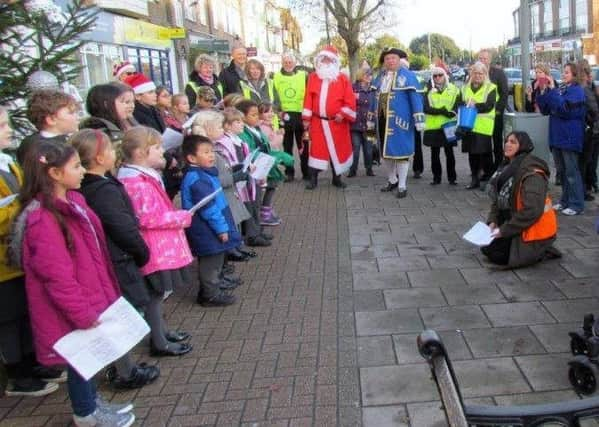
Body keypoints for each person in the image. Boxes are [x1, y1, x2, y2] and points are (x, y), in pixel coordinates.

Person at [14, 141, 135, 426]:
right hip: (72, 307)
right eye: (77, 166)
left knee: (89, 358)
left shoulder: (74, 202)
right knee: (81, 361)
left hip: (89, 296)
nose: (83, 171)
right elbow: (57, 277)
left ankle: (92, 404)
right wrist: (81, 312)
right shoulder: (44, 220)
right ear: (55, 173)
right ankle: (85, 413)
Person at [73, 129, 161, 389]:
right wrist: (141, 251)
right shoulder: (102, 190)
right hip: (119, 259)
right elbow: (121, 226)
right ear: (99, 158)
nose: (116, 153)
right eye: (111, 150)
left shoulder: (95, 185)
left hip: (113, 258)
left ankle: (123, 366)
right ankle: (124, 371)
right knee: (125, 313)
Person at [0, 107, 61, 397]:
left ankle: (33, 361)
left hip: (18, 254)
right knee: (8, 318)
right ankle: (17, 374)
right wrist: (23, 204)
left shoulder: (9, 162)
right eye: (2, 126)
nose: (8, 130)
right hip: (3, 262)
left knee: (24, 312)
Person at [117, 127, 193, 356]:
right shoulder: (136, 182)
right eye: (157, 147)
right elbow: (147, 217)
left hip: (158, 245)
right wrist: (179, 217)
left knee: (157, 294)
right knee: (154, 294)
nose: (163, 151)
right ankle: (158, 341)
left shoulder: (143, 176)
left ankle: (161, 331)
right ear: (141, 153)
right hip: (153, 246)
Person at [482, 131, 560, 268]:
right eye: (506, 141)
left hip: (534, 229)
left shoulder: (532, 174)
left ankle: (543, 249)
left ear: (523, 146)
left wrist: (504, 230)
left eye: (513, 142)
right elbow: (497, 200)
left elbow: (531, 211)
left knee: (497, 256)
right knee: (487, 248)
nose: (507, 144)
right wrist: (493, 220)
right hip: (515, 221)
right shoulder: (506, 167)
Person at [181, 135, 242, 307]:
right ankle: (210, 294)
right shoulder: (198, 179)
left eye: (212, 151)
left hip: (211, 224)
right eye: (206, 152)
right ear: (192, 158)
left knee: (215, 258)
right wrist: (221, 229)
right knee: (211, 262)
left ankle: (213, 287)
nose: (211, 155)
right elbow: (208, 208)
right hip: (206, 228)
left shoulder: (203, 173)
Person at [371, 47, 424, 198]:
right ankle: (392, 180)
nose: (390, 61)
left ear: (399, 60)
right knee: (386, 153)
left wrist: (418, 118)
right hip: (382, 121)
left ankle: (402, 185)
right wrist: (370, 119)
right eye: (387, 58)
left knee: (401, 154)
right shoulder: (380, 77)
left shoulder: (408, 76)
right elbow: (374, 97)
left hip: (401, 122)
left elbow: (416, 98)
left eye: (393, 58)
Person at [302, 45, 356, 190]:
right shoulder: (313, 77)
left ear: (334, 61)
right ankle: (313, 179)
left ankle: (336, 179)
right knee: (316, 151)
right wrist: (306, 119)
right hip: (318, 122)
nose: (326, 62)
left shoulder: (343, 79)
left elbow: (350, 100)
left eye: (329, 59)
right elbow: (308, 98)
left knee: (336, 151)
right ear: (319, 60)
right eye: (323, 59)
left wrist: (342, 113)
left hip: (336, 123)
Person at [537, 62, 586, 216]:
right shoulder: (561, 89)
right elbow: (545, 110)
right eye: (563, 72)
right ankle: (565, 201)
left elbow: (565, 110)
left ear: (575, 75)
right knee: (562, 171)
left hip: (569, 137)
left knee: (572, 172)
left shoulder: (577, 91)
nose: (563, 74)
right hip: (557, 136)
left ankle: (576, 203)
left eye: (567, 72)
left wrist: (552, 91)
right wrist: (543, 92)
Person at [216, 107, 265, 255]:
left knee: (252, 204)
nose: (242, 124)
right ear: (227, 126)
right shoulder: (223, 143)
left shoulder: (239, 141)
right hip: (236, 182)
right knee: (241, 211)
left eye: (241, 121)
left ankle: (254, 233)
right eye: (237, 122)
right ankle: (248, 237)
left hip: (244, 179)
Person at [237, 99, 293, 227]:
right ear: (243, 116)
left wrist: (279, 156)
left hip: (263, 166)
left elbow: (265, 146)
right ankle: (255, 227)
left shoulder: (255, 128)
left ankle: (258, 224)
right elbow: (251, 151)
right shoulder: (245, 133)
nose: (258, 117)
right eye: (253, 114)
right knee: (255, 197)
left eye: (257, 114)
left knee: (263, 192)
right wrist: (275, 157)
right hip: (256, 169)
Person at [459, 61, 497, 190]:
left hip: (483, 127)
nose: (478, 76)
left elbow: (489, 105)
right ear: (471, 74)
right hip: (468, 126)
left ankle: (489, 180)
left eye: (481, 73)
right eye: (475, 73)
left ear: (485, 74)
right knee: (472, 155)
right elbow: (460, 104)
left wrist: (475, 105)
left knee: (485, 155)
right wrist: (465, 105)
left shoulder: (491, 87)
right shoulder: (465, 87)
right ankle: (474, 180)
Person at [17, 90, 80, 165]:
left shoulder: (32, 142)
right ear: (51, 120)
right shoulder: (42, 148)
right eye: (71, 113)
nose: (77, 117)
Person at [273, 53, 309, 181]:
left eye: (290, 62)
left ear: (294, 63)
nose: (288, 64)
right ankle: (289, 173)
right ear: (282, 63)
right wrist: (278, 111)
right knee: (287, 146)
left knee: (303, 145)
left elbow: (308, 95)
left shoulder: (303, 76)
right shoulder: (276, 77)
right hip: (284, 115)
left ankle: (306, 172)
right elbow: (274, 97)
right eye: (285, 62)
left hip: (300, 115)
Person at [423, 65, 460, 185]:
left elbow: (458, 104)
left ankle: (452, 178)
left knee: (450, 154)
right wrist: (442, 111)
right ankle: (436, 178)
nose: (438, 77)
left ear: (445, 76)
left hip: (448, 127)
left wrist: (452, 112)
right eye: (435, 76)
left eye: (440, 75)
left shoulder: (454, 89)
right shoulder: (428, 91)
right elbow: (426, 108)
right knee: (435, 155)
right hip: (433, 127)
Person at [478, 49, 508, 172]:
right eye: (480, 58)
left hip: (495, 115)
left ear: (490, 60)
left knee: (497, 142)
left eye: (485, 58)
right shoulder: (476, 73)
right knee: (483, 144)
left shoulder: (498, 73)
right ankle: (486, 169)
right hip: (481, 116)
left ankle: (499, 167)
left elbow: (504, 93)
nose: (483, 61)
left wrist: (498, 111)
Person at [576, 60, 599, 202]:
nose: (590, 74)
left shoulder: (588, 86)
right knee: (586, 160)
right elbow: (594, 109)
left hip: (591, 129)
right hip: (590, 130)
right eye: (588, 71)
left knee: (590, 159)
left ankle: (590, 184)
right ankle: (584, 189)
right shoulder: (584, 88)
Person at [348, 67, 376, 178]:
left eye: (370, 74)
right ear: (361, 75)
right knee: (355, 149)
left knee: (369, 149)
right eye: (366, 74)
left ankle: (369, 169)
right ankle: (352, 170)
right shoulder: (353, 88)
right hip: (355, 124)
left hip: (370, 125)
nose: (369, 76)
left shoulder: (374, 89)